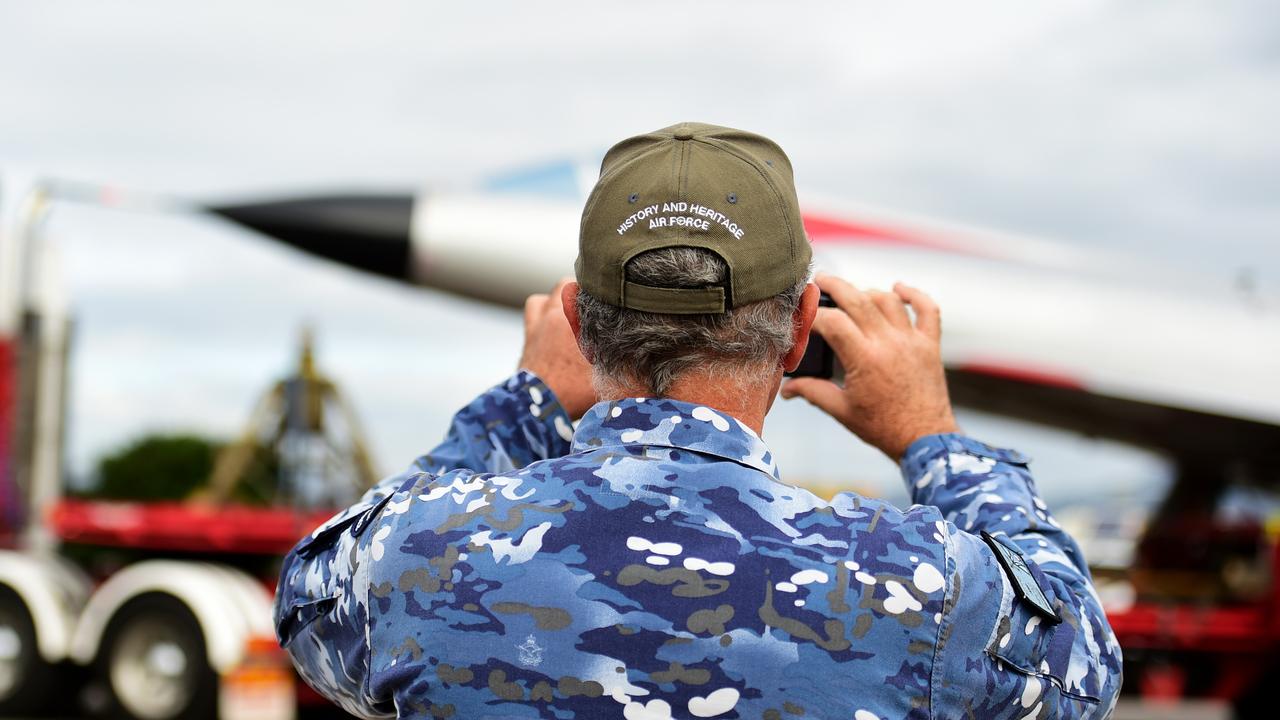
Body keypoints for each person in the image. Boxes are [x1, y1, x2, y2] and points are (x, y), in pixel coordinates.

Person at [274, 122, 1122, 719]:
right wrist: (934, 436)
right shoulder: (918, 586)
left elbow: (309, 598)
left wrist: (524, 402)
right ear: (799, 329)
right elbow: (1081, 664)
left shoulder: (420, 557)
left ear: (575, 319)